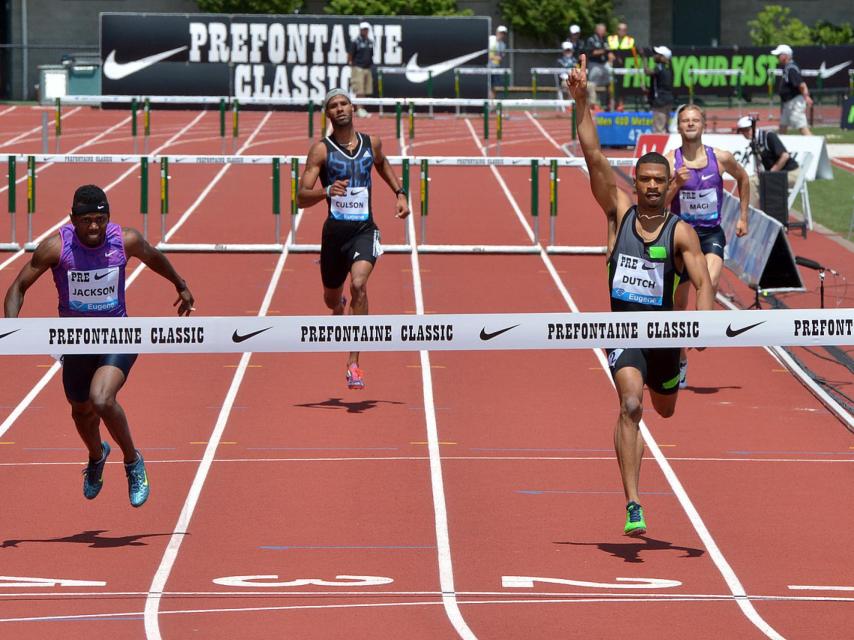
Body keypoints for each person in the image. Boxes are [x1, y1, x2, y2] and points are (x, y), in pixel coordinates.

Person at [566, 56, 714, 536]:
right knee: (631, 406)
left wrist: (703, 327)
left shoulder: (682, 232)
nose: (650, 186)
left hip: (667, 334)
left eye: (658, 180)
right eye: (643, 180)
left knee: (665, 409)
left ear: (667, 183)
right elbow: (592, 157)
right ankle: (633, 502)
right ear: (637, 181)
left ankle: (676, 370)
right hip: (623, 331)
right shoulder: (619, 215)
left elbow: (704, 281)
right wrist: (582, 101)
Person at [3, 185, 195, 508]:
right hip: (75, 343)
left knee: (101, 399)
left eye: (101, 219)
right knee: (81, 412)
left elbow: (153, 256)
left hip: (118, 335)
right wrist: (10, 330)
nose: (94, 227)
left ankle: (132, 461)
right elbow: (17, 287)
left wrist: (181, 284)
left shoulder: (124, 240)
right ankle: (97, 455)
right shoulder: (56, 247)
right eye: (88, 220)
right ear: (72, 219)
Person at [297, 89, 410, 390]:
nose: (340, 109)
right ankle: (338, 303)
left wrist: (400, 194)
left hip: (364, 230)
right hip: (334, 235)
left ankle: (353, 362)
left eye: (344, 103)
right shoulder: (320, 151)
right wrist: (326, 190)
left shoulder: (372, 143)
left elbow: (383, 163)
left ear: (353, 107)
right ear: (328, 115)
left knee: (359, 284)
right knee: (331, 299)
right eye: (333, 106)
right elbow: (300, 197)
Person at [665, 104, 750, 387]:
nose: (690, 124)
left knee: (710, 283)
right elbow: (658, 202)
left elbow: (743, 178)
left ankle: (701, 332)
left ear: (704, 125)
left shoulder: (721, 158)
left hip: (711, 234)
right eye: (685, 121)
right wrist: (675, 185)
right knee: (677, 307)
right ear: (678, 127)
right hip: (680, 237)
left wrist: (743, 216)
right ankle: (681, 360)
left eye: (695, 120)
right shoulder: (669, 161)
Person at [736, 115, 800, 209]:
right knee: (750, 180)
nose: (745, 133)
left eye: (747, 129)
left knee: (750, 182)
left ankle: (749, 213)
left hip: (791, 174)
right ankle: (756, 212)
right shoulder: (755, 142)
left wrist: (770, 174)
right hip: (779, 175)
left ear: (753, 128)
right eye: (742, 131)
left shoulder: (768, 136)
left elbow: (785, 156)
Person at [772, 44, 812, 136]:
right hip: (788, 103)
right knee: (782, 127)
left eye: (779, 55)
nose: (777, 57)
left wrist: (806, 97)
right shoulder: (787, 67)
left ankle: (815, 145)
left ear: (785, 56)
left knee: (801, 127)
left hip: (795, 103)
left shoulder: (791, 68)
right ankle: (779, 148)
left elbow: (802, 85)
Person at [348, 21, 374, 118]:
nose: (365, 31)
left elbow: (371, 54)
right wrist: (353, 65)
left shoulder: (370, 42)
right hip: (358, 68)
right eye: (363, 29)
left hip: (367, 68)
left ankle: (362, 108)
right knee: (359, 90)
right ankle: (359, 109)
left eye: (366, 29)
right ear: (360, 30)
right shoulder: (356, 41)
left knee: (365, 90)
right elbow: (350, 55)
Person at [647, 46, 674, 133]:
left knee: (659, 129)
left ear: (663, 57)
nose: (654, 56)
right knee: (665, 128)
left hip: (660, 101)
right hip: (667, 99)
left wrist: (643, 59)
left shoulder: (660, 67)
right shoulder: (669, 67)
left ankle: (661, 146)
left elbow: (647, 72)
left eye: (657, 54)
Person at [583, 24, 610, 108]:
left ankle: (607, 104)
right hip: (594, 64)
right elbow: (590, 53)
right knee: (592, 84)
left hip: (604, 64)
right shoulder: (591, 40)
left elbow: (609, 51)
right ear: (596, 30)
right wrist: (603, 51)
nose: (603, 32)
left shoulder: (605, 39)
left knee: (610, 82)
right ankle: (591, 105)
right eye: (601, 30)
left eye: (604, 30)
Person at [488, 25, 509, 101]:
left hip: (495, 68)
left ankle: (491, 103)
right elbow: (486, 54)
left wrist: (493, 57)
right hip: (485, 67)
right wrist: (493, 57)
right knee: (486, 86)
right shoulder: (490, 39)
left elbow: (500, 57)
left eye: (503, 33)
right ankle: (488, 103)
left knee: (493, 86)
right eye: (501, 33)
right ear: (497, 32)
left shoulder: (503, 45)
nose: (502, 35)